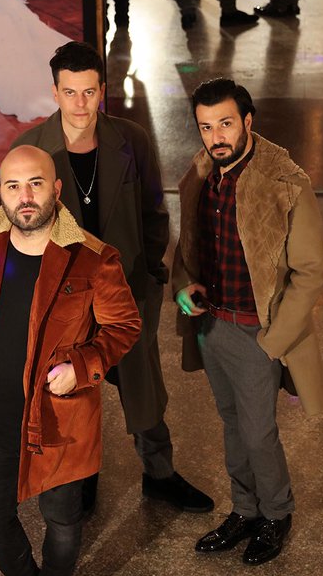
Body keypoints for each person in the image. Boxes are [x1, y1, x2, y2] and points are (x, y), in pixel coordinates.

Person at [0, 145, 141, 576]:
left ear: (56, 189)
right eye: (13, 186)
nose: (24, 196)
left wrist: (82, 366)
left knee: (62, 517)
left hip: (60, 419)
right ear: (1, 193)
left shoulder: (93, 257)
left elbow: (124, 326)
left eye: (35, 183)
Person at [13, 41, 212, 516]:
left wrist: (152, 275)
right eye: (70, 92)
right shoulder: (33, 149)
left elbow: (153, 212)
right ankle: (80, 478)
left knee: (144, 388)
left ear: (102, 89)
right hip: (64, 297)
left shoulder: (131, 139)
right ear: (54, 92)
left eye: (89, 92)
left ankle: (159, 475)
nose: (80, 104)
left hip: (125, 287)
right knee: (73, 390)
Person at [173, 79, 323, 566]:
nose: (216, 136)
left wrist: (273, 341)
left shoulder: (285, 180)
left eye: (225, 124)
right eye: (205, 127)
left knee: (259, 432)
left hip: (257, 331)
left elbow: (311, 271)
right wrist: (185, 287)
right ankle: (245, 509)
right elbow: (190, 245)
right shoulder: (203, 172)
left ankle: (277, 513)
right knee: (232, 425)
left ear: (247, 121)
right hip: (212, 325)